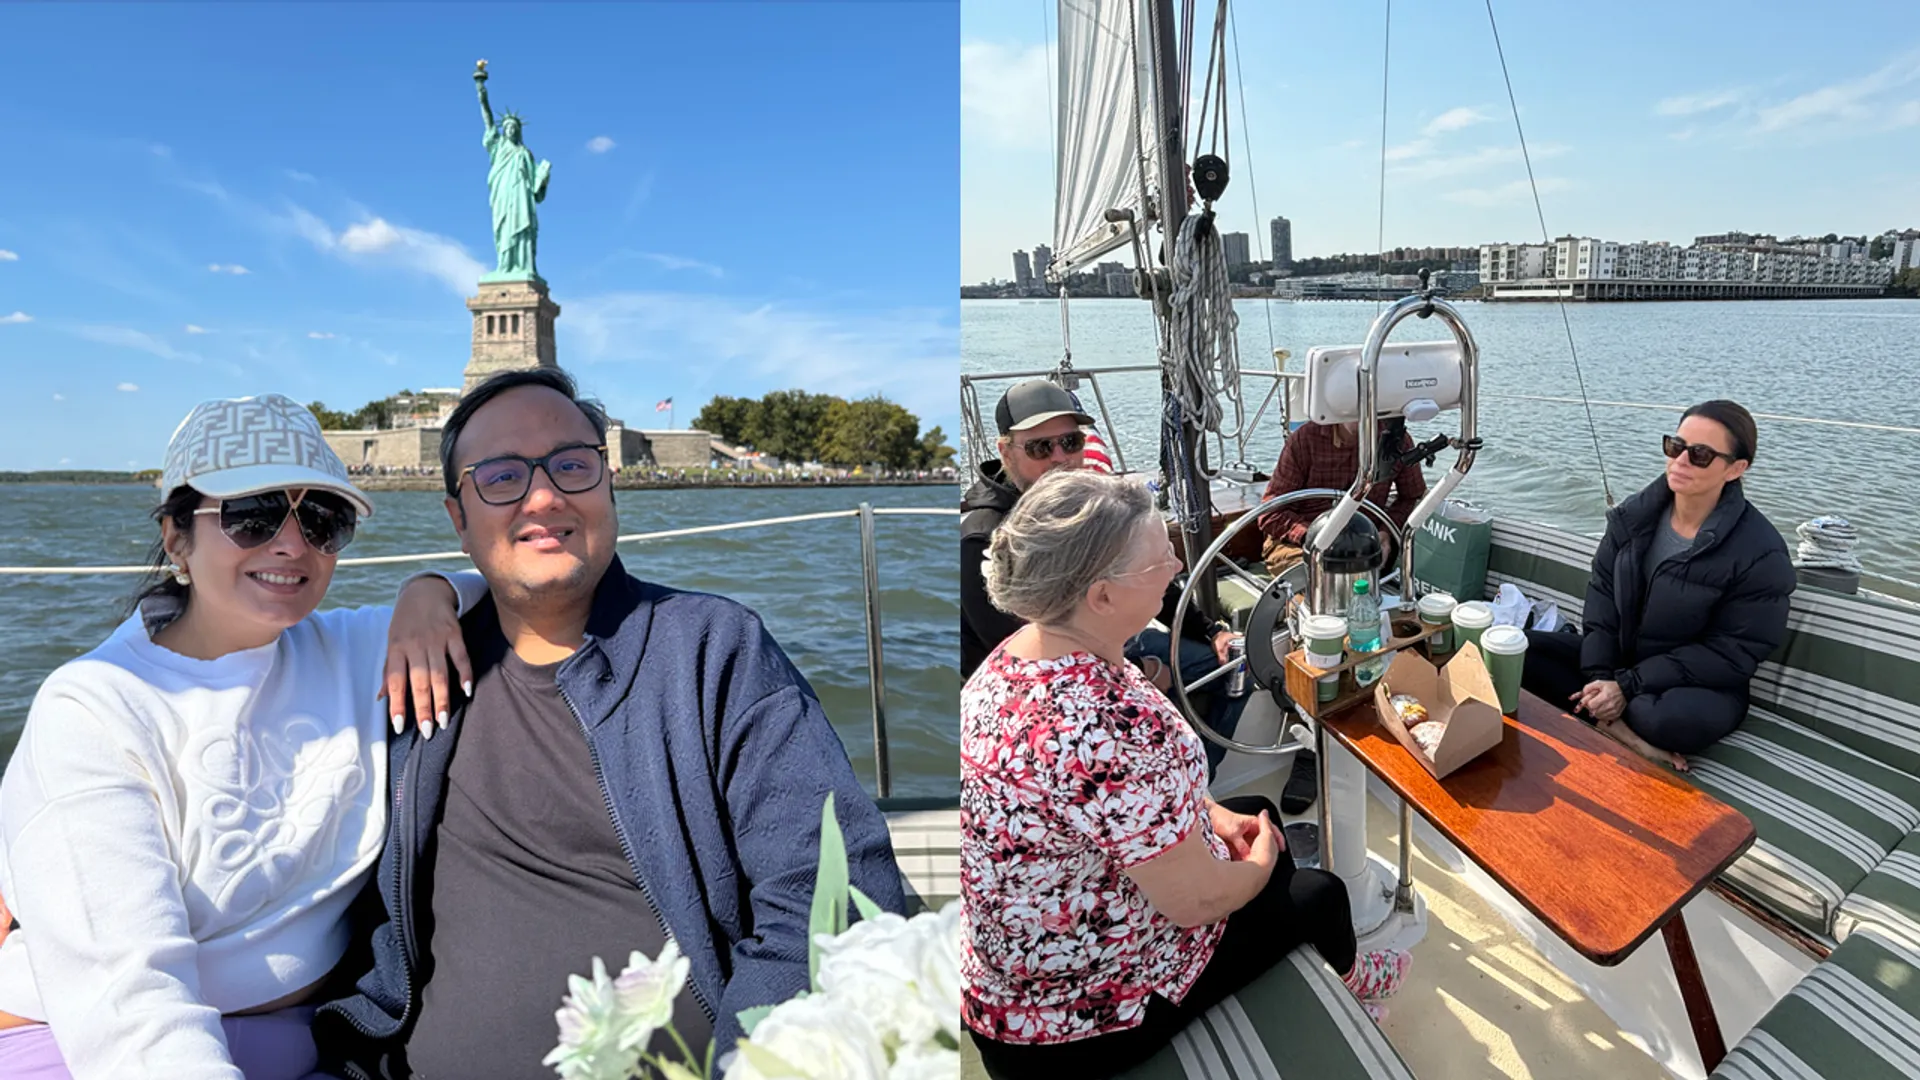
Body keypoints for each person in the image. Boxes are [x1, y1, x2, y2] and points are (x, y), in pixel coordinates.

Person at [314, 369, 905, 1077]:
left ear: (609, 486)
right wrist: (427, 589)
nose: (543, 495)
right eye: (501, 476)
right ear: (457, 521)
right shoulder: (403, 665)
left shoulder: (715, 650)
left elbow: (831, 898)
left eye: (571, 465)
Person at [0, 394, 484, 1080]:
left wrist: (430, 591)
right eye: (251, 515)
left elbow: (508, 585)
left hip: (308, 1038)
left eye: (322, 520)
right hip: (75, 1043)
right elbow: (125, 999)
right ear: (177, 538)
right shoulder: (95, 706)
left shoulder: (354, 648)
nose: (292, 545)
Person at [960, 470, 1406, 1080]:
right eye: (1159, 560)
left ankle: (1319, 949)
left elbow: (1108, 805)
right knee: (1316, 891)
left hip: (1011, 984)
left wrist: (1214, 816)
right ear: (1102, 596)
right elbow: (1195, 902)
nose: (1176, 566)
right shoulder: (1115, 722)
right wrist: (1258, 865)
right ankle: (1357, 983)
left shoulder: (1008, 664)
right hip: (1077, 1023)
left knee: (1252, 814)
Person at [961, 380, 1245, 770]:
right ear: (1006, 451)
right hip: (1044, 691)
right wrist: (1142, 672)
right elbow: (1025, 650)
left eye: (1071, 442)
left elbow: (1148, 573)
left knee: (1233, 664)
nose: (1061, 458)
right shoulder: (982, 539)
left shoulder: (1081, 505)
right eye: (1041, 447)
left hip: (1105, 644)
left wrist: (1210, 630)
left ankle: (1199, 777)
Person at [1522, 400, 1794, 771]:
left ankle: (1616, 720)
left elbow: (1733, 652)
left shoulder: (1760, 552)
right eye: (1675, 446)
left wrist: (1627, 686)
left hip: (1697, 684)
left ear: (1735, 469)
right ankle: (1614, 726)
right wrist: (1602, 677)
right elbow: (1602, 598)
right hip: (1623, 661)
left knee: (1664, 720)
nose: (1680, 461)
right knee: (1519, 650)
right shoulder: (1633, 518)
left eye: (1700, 455)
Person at [1256, 419, 1428, 577]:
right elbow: (1270, 513)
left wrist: (1386, 533)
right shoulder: (1304, 440)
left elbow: (1411, 496)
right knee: (1323, 578)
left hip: (1364, 545)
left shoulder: (1397, 441)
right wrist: (1313, 536)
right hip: (1297, 545)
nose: (1359, 411)